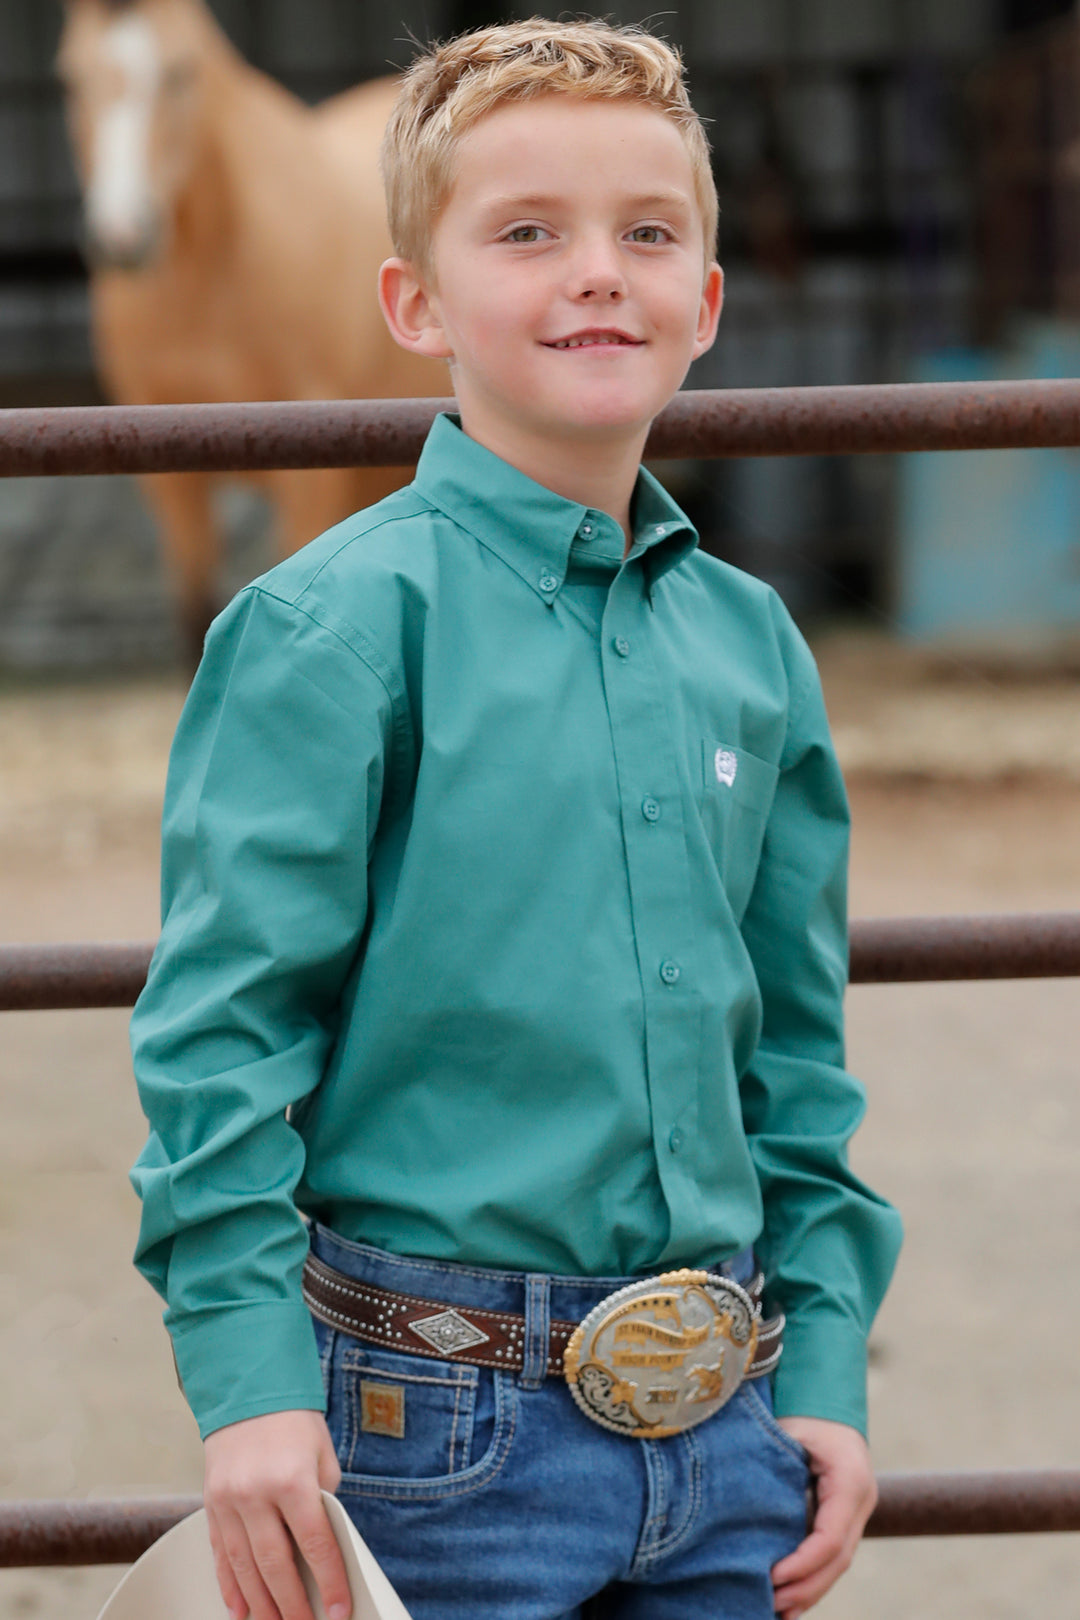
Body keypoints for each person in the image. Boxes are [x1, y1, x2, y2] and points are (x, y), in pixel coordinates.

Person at [129, 18, 903, 1620]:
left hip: (721, 1424)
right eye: (527, 232)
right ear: (415, 305)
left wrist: (822, 1355)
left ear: (708, 297)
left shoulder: (753, 647)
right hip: (427, 1438)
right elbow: (221, 1040)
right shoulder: (332, 632)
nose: (598, 274)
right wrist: (250, 1388)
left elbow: (798, 1056)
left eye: (649, 233)